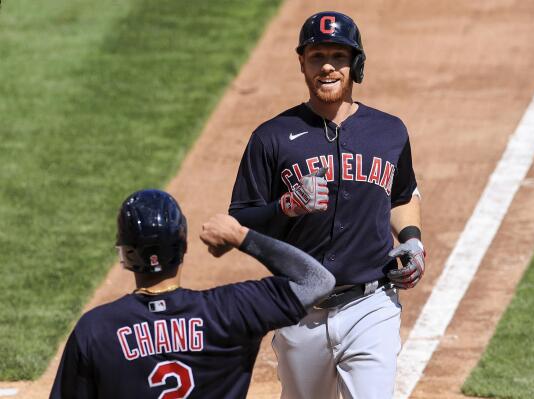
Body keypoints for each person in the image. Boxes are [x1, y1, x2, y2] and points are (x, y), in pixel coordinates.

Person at [229, 11, 425, 399]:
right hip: (299, 311)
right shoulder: (272, 138)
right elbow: (240, 221)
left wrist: (413, 240)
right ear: (302, 62)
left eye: (338, 56)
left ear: (356, 64)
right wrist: (285, 206)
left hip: (371, 306)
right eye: (318, 56)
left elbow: (401, 195)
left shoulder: (389, 131)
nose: (328, 67)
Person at [50, 189, 335, 399]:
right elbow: (318, 281)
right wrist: (241, 236)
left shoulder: (97, 329)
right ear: (183, 246)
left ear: (125, 253)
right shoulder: (231, 310)